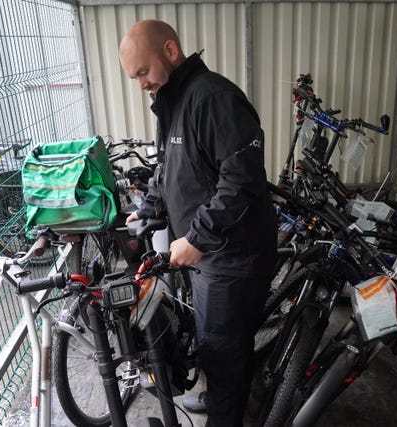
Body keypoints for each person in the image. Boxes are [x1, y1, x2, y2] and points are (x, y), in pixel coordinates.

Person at [119, 20, 277, 427]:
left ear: (170, 51)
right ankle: (225, 393)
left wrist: (198, 238)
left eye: (142, 72)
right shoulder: (174, 100)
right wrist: (151, 208)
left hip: (232, 258)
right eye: (133, 76)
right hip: (204, 253)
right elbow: (172, 168)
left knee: (222, 352)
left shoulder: (215, 98)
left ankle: (227, 413)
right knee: (211, 343)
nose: (140, 84)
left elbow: (240, 180)